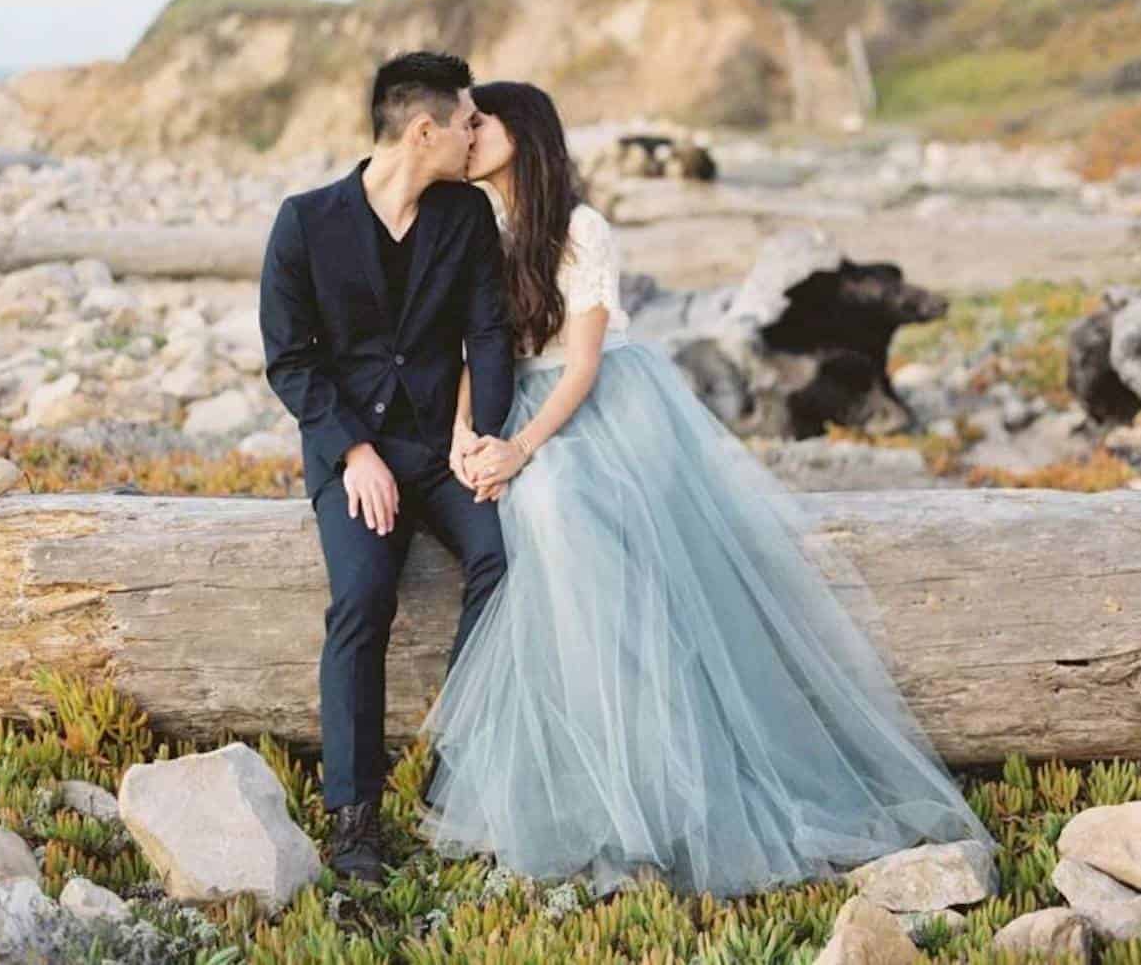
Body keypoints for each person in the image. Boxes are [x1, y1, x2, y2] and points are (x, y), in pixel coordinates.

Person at [416, 80, 998, 899]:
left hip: (600, 410)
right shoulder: (474, 228)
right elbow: (475, 350)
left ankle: (664, 791)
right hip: (510, 405)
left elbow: (580, 365)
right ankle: (589, 788)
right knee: (540, 548)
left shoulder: (579, 230)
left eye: (480, 120)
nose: (464, 133)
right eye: (460, 123)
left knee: (561, 512)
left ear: (526, 128)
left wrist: (516, 449)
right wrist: (463, 438)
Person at [259, 51, 515, 886]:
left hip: (442, 448)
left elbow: (488, 332)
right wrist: (354, 454)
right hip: (354, 453)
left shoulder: (466, 215)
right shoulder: (305, 220)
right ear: (423, 129)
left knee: (500, 561)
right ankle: (354, 816)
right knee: (362, 598)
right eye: (469, 121)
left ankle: (453, 761)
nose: (477, 134)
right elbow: (291, 362)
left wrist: (479, 432)